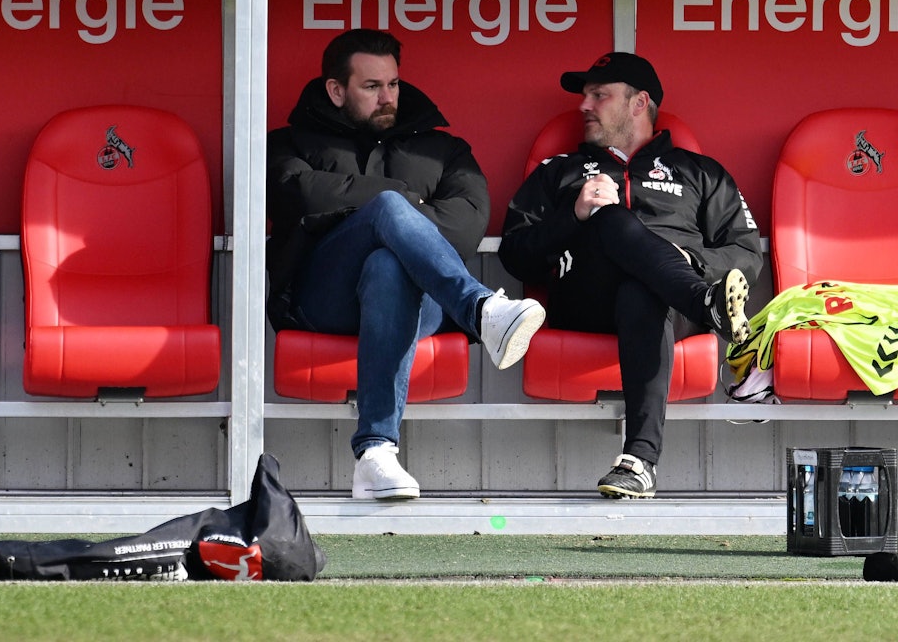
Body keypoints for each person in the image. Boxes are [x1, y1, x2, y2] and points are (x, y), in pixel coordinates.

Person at [267, 28, 545, 501]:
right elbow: (296, 193)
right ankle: (480, 311)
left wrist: (379, 212)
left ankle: (376, 453)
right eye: (371, 87)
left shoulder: (442, 149)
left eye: (392, 84)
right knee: (390, 210)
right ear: (336, 90)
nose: (387, 97)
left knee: (388, 267)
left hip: (423, 304)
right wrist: (398, 204)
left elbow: (466, 225)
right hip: (322, 298)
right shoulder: (289, 142)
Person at [499, 51, 763, 499]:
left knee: (642, 290)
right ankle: (704, 301)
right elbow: (515, 256)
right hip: (584, 299)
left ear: (639, 103)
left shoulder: (701, 172)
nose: (585, 106)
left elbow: (746, 254)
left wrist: (683, 257)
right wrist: (576, 215)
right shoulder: (558, 172)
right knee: (608, 218)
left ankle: (639, 461)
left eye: (599, 95)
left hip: (663, 306)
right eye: (585, 97)